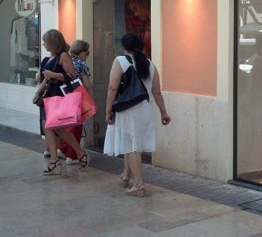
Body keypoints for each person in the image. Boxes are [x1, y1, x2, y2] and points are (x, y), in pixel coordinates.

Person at [103, 33, 171, 197]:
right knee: (132, 141)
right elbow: (157, 92)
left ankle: (139, 183)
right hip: (144, 108)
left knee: (132, 145)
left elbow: (112, 88)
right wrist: (164, 112)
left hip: (128, 108)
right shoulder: (150, 64)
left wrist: (108, 110)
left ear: (124, 46)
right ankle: (127, 174)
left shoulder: (120, 61)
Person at [40, 29, 91, 175]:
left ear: (53, 41)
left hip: (59, 96)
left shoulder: (63, 56)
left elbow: (71, 76)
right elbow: (45, 78)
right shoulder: (50, 58)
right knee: (47, 127)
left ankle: (81, 154)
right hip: (48, 96)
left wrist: (52, 74)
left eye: (45, 41)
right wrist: (39, 91)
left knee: (59, 129)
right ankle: (54, 161)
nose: (43, 44)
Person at [59, 40, 93, 165]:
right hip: (77, 98)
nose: (87, 55)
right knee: (76, 127)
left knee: (66, 125)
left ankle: (63, 150)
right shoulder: (81, 64)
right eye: (87, 53)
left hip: (63, 96)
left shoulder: (64, 60)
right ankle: (72, 156)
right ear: (82, 52)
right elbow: (87, 84)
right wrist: (90, 99)